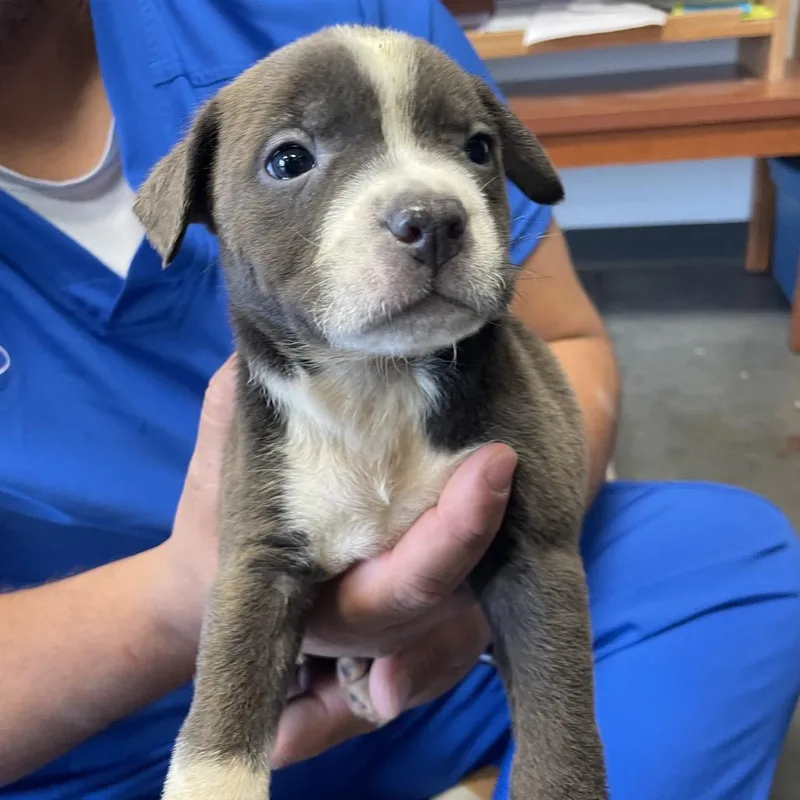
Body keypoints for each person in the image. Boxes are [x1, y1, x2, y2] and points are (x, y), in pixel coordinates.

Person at [2, 1, 800, 798]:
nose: (427, 210)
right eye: (290, 160)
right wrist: (182, 601)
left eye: (473, 149)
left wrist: (471, 578)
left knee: (734, 557)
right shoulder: (214, 142)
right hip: (104, 741)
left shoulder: (343, 12)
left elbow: (570, 349)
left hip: (460, 655)